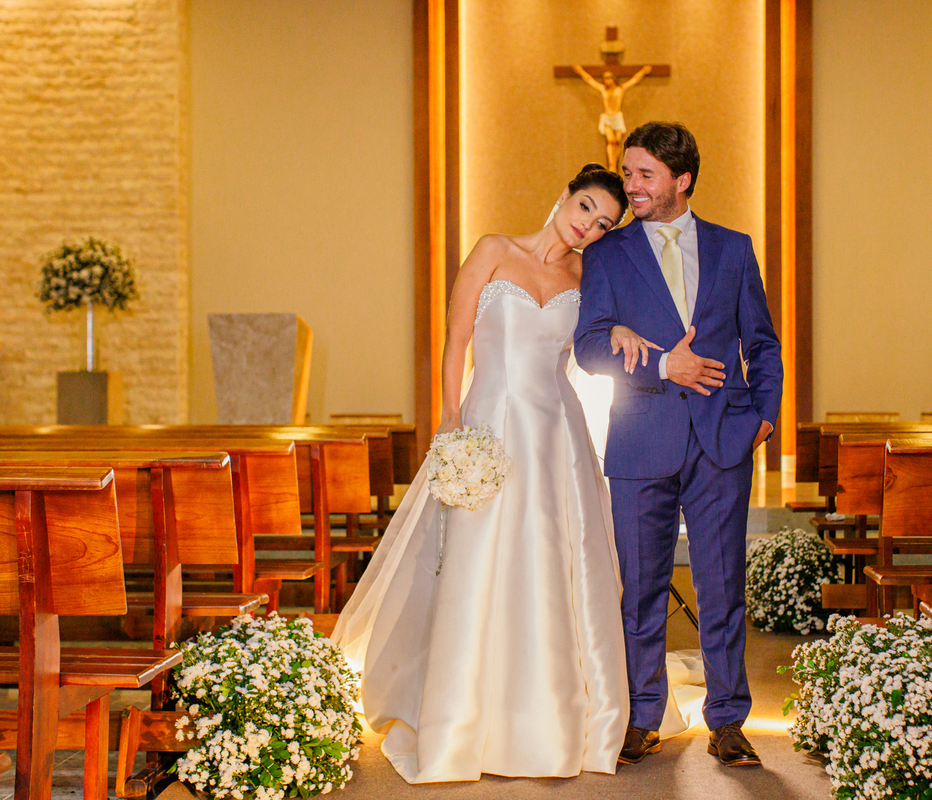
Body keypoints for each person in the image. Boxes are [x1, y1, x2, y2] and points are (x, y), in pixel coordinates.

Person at [331, 164, 645, 783]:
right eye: (585, 208)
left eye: (604, 224)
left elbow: (595, 345)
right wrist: (451, 418)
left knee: (552, 562)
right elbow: (456, 340)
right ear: (564, 196)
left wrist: (622, 327)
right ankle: (460, 718)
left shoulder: (589, 277)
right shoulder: (494, 250)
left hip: (556, 435)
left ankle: (550, 716)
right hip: (487, 426)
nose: (588, 227)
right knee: (474, 562)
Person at [574, 122, 784, 769]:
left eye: (644, 175)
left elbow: (762, 343)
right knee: (640, 589)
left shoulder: (733, 248)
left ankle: (728, 721)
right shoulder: (607, 254)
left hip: (723, 440)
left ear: (681, 179)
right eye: (627, 173)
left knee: (722, 587)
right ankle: (642, 717)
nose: (631, 186)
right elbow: (588, 348)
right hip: (641, 441)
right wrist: (664, 364)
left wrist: (763, 417)